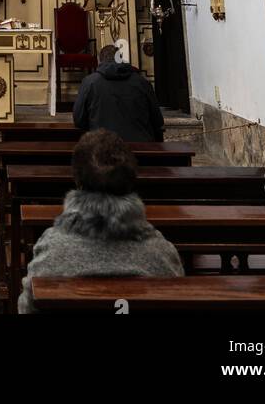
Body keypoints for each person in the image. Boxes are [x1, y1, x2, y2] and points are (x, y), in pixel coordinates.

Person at [18, 130, 183, 311]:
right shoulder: (161, 253)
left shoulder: (52, 249)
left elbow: (27, 307)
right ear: (131, 182)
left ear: (77, 181)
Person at [73, 43, 165, 142]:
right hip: (141, 146)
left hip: (101, 147)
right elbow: (158, 120)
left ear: (100, 61)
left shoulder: (89, 82)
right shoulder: (142, 82)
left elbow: (79, 120)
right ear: (120, 59)